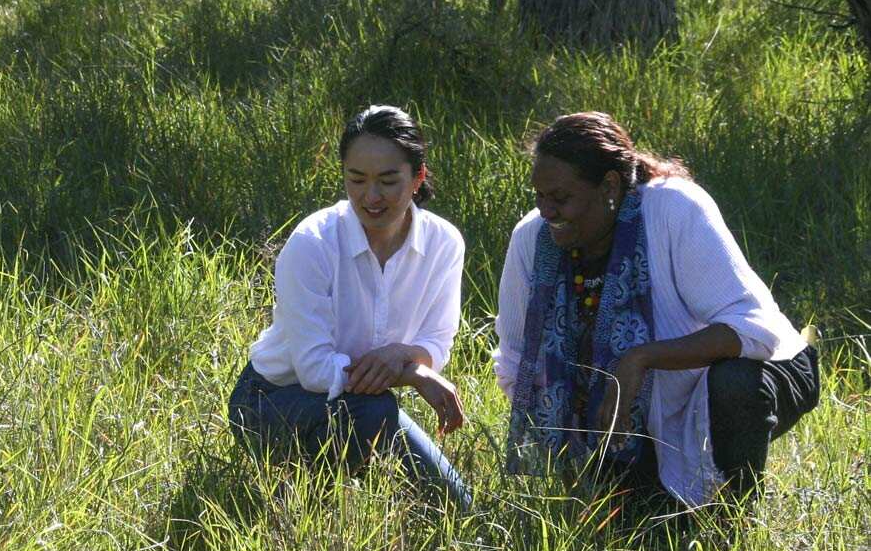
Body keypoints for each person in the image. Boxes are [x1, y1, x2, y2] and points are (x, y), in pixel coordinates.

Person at [494, 112, 819, 506]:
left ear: (609, 186)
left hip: (757, 372)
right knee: (636, 518)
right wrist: (573, 447)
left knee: (734, 382)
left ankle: (735, 511)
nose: (546, 211)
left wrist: (641, 358)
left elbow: (756, 330)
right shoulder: (533, 239)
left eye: (561, 198)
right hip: (639, 413)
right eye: (539, 195)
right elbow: (516, 363)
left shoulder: (673, 209)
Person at [228, 105, 472, 510]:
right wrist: (410, 371)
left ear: (418, 178)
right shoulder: (313, 242)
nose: (370, 197)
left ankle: (327, 488)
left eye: (388, 181)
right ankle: (300, 503)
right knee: (373, 414)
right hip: (269, 399)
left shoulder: (444, 243)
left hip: (362, 406)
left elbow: (437, 340)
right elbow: (314, 369)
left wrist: (399, 357)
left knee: (454, 503)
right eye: (356, 180)